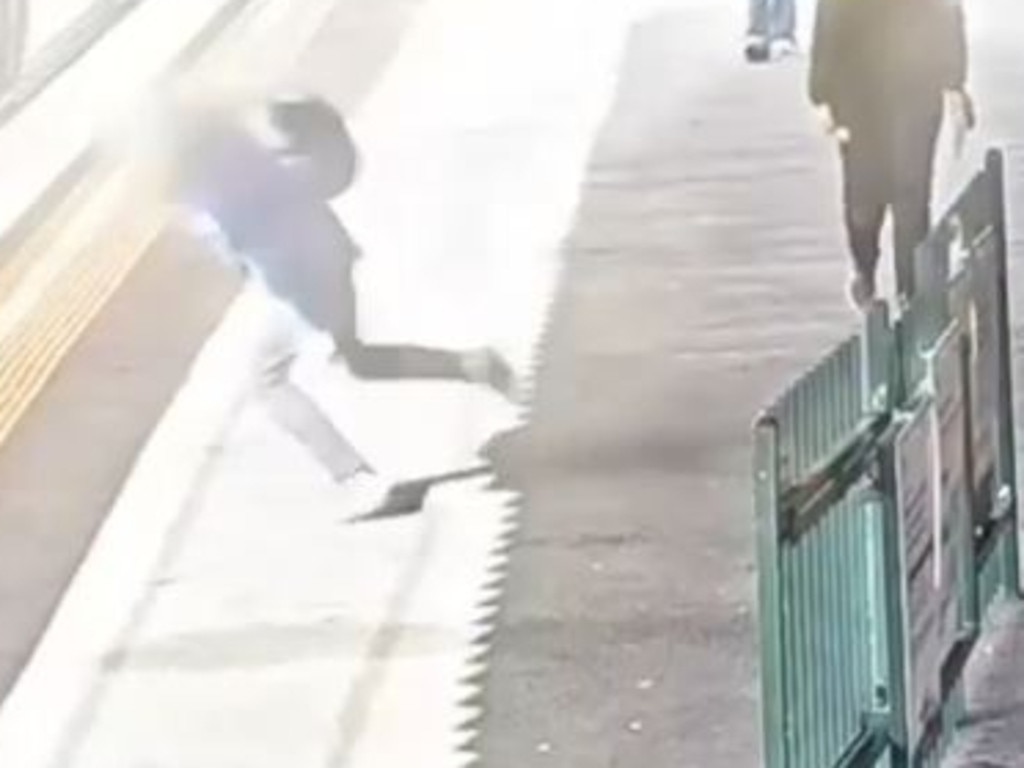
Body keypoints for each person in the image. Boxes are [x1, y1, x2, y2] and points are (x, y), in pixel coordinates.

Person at [165, 93, 516, 516]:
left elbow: (232, 247)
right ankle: (474, 365)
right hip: (334, 261)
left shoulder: (208, 194)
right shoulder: (266, 163)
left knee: (269, 380)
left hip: (297, 287)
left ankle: (357, 480)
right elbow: (332, 176)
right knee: (359, 361)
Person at [808, 0, 973, 307]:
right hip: (857, 82)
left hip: (917, 79)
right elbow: (829, 14)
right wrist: (822, 93)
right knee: (864, 194)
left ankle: (911, 295)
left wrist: (954, 79)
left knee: (912, 189)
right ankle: (865, 266)